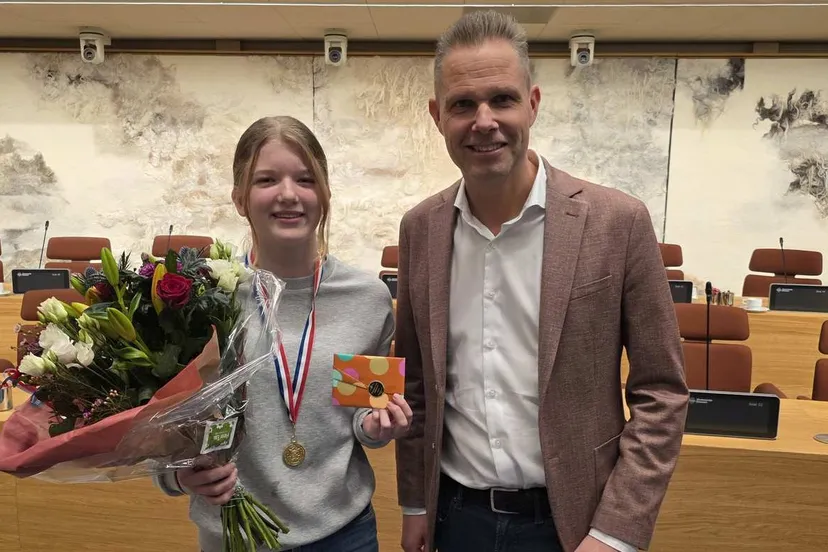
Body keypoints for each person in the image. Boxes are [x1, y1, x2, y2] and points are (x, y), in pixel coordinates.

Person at [395, 10, 689, 552]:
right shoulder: (421, 229)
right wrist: (415, 502)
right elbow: (416, 384)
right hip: (456, 521)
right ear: (438, 116)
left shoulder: (617, 222)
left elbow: (662, 392)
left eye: (502, 99)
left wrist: (615, 532)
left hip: (576, 525)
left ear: (532, 103)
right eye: (463, 104)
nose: (484, 121)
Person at [154, 115, 413, 552]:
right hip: (233, 538)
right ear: (240, 198)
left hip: (343, 535)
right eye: (267, 179)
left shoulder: (366, 299)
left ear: (325, 194)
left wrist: (377, 424)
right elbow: (162, 428)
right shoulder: (203, 303)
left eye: (305, 179)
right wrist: (178, 475)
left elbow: (362, 414)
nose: (289, 194)